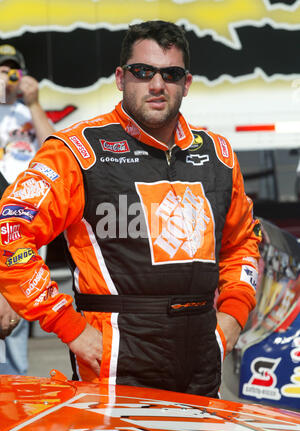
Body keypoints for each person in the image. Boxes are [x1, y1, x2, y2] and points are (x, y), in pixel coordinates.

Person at [0, 22, 261, 397]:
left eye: (170, 74)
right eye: (143, 72)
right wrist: (68, 325)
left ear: (186, 84)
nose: (157, 85)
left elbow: (242, 244)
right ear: (121, 78)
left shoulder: (218, 155)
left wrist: (234, 315)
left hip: (203, 366)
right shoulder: (78, 151)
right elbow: (9, 233)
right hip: (113, 369)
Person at [0, 44, 54, 374]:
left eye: (13, 69)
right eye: (1, 69)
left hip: (25, 218)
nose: (8, 75)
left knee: (18, 302)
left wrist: (33, 103)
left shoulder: (27, 112)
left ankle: (15, 381)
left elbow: (54, 152)